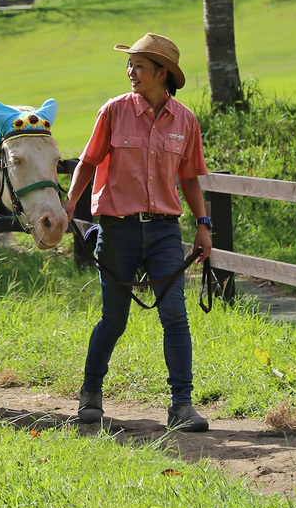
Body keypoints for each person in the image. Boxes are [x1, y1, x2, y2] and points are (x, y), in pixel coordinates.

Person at [63, 33, 213, 432]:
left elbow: (190, 178)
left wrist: (203, 225)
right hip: (117, 230)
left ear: (162, 74)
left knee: (176, 317)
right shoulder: (113, 111)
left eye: (139, 66)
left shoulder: (186, 121)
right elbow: (87, 163)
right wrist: (67, 206)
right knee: (114, 318)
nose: (131, 72)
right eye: (129, 65)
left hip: (164, 230)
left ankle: (181, 405)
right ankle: (90, 394)